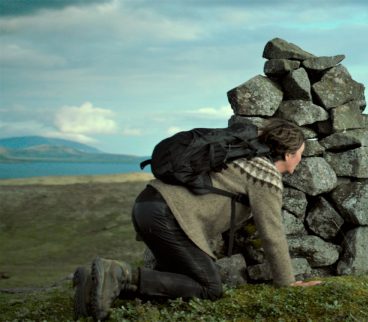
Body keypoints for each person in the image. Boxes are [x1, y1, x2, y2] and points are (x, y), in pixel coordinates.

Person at [72, 119, 321, 320]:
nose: (300, 159)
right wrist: (287, 282)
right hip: (166, 215)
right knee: (209, 288)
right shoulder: (265, 176)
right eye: (300, 154)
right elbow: (272, 233)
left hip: (147, 205)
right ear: (288, 154)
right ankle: (118, 274)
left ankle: (95, 281)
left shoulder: (239, 156)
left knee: (178, 280)